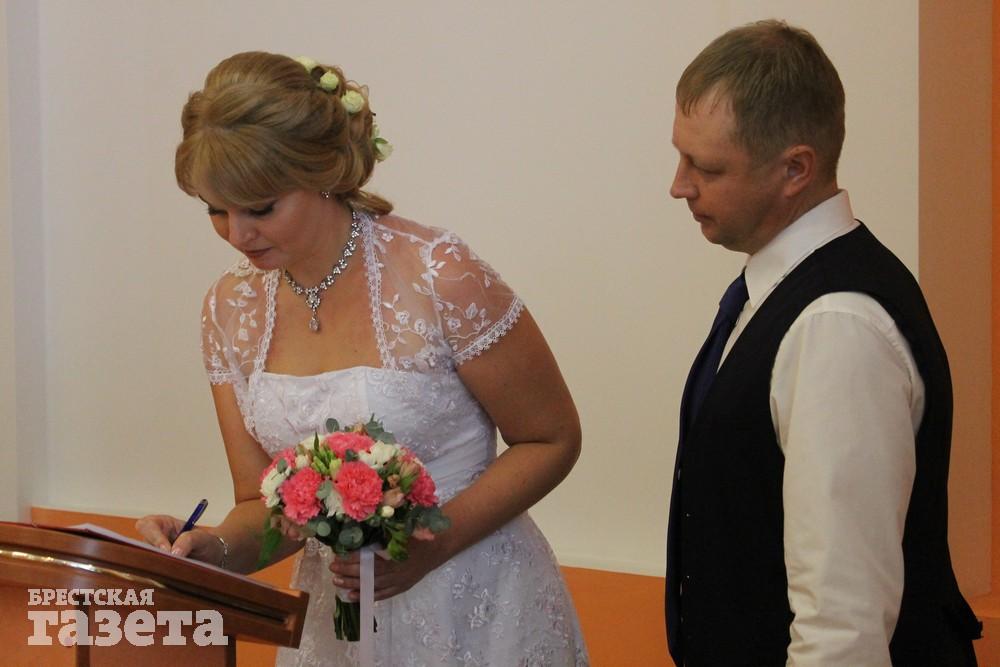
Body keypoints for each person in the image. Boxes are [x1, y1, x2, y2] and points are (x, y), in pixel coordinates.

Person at [136, 51, 589, 666]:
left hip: (477, 607)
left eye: (260, 208)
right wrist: (207, 551)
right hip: (339, 621)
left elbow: (551, 438)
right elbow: (263, 506)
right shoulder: (229, 308)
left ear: (321, 173)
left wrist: (433, 544)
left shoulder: (439, 274)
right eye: (216, 209)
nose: (237, 235)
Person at [665, 20, 982, 666]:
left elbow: (842, 622)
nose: (680, 185)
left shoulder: (837, 324)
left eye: (707, 167)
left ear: (795, 169)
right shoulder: (782, 295)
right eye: (682, 156)